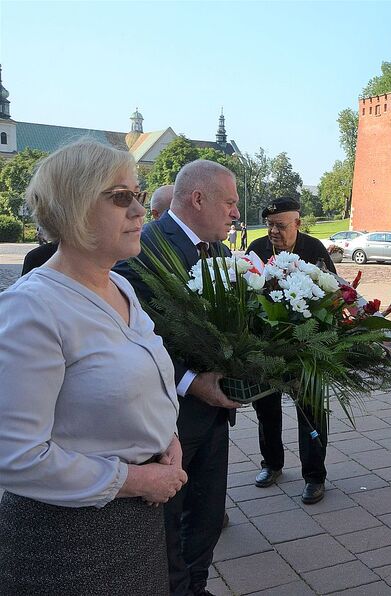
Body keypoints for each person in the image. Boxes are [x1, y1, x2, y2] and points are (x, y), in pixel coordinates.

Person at [0, 140, 186, 594]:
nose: (140, 211)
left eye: (139, 196)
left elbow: (141, 380)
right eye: (121, 197)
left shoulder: (120, 285)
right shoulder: (33, 308)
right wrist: (137, 478)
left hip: (138, 517)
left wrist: (167, 437)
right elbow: (15, 457)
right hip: (68, 541)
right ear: (74, 208)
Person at [115, 159, 242, 596]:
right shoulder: (144, 248)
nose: (235, 213)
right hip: (166, 419)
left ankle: (197, 587)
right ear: (198, 198)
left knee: (207, 517)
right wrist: (191, 381)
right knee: (169, 524)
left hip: (213, 417)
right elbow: (134, 336)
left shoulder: (223, 254)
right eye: (229, 202)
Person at [246, 197, 335, 505]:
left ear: (297, 223)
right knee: (266, 410)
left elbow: (332, 293)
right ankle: (272, 463)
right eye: (270, 225)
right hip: (268, 348)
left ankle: (314, 476)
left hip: (304, 349)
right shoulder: (256, 250)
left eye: (280, 226)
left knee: (310, 414)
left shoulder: (314, 250)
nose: (273, 231)